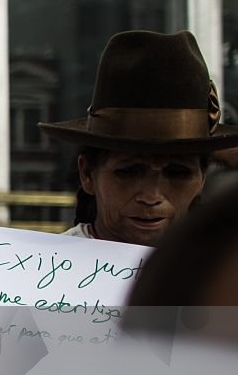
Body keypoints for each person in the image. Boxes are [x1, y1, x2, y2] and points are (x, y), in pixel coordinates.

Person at [39, 30, 238, 246]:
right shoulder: (31, 274)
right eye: (129, 171)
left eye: (177, 172)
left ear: (202, 178)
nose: (151, 196)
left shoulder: (220, 274)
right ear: (87, 174)